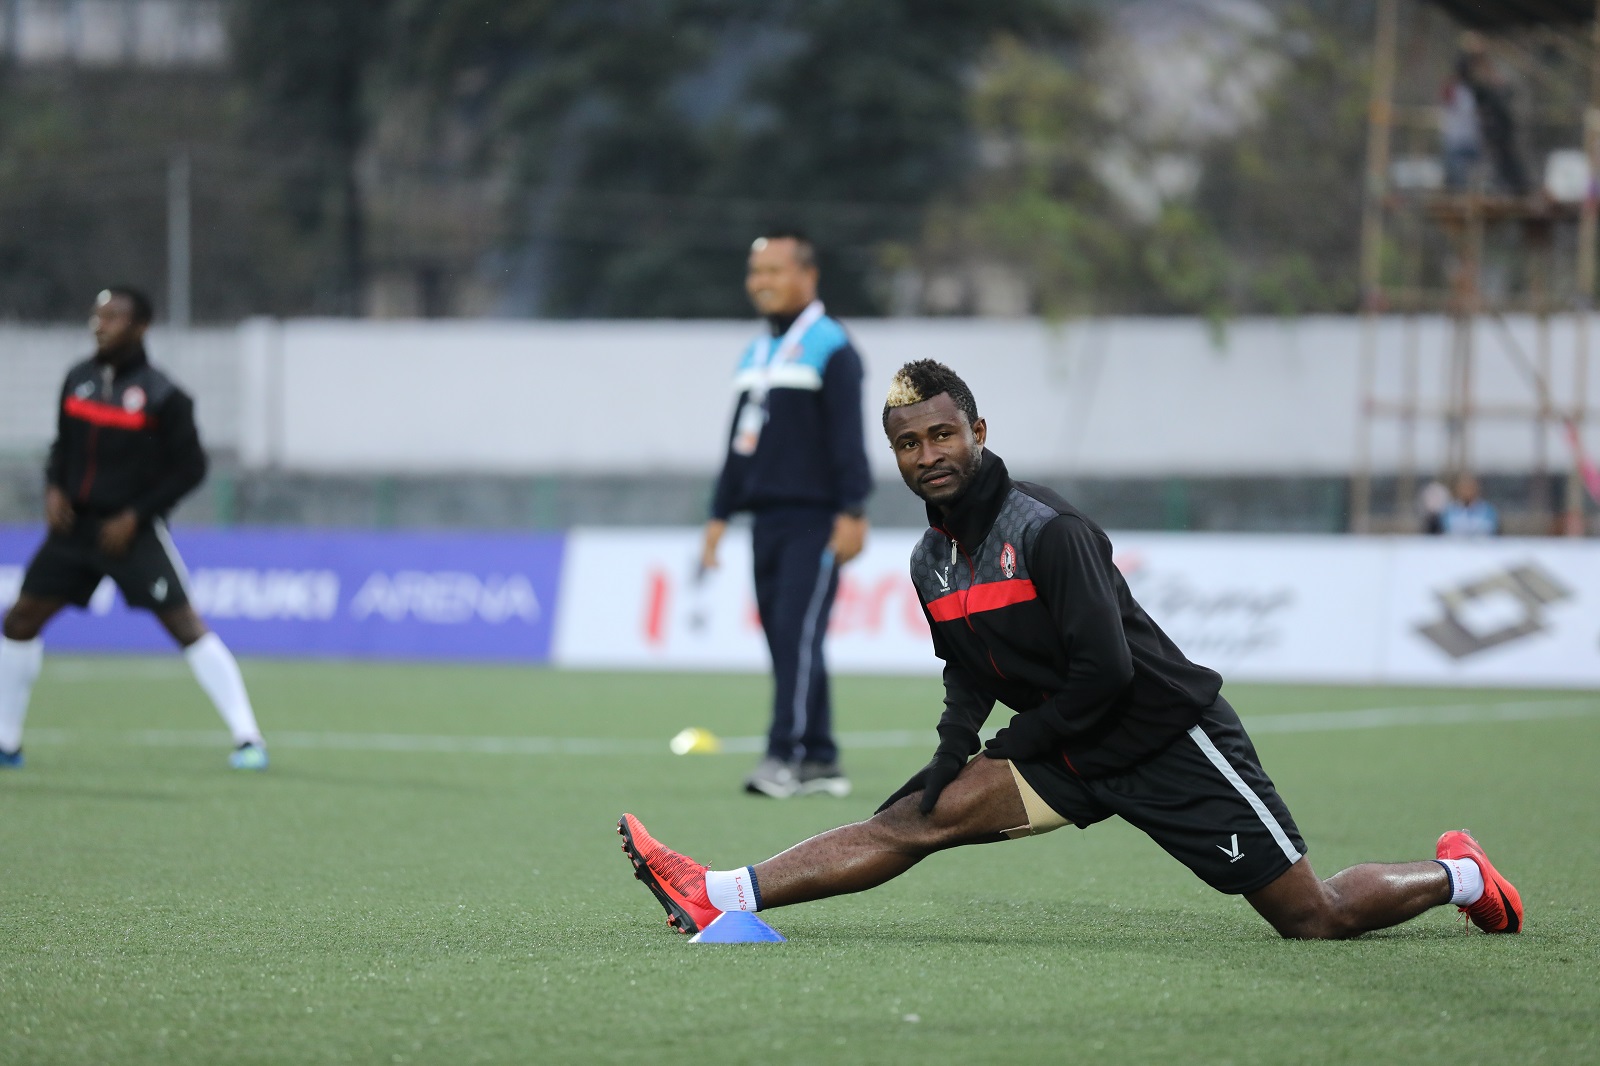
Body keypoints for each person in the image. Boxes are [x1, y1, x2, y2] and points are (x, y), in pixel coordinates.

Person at [619, 360, 1522, 940]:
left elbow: (1109, 672)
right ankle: (720, 893)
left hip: (1165, 734)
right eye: (909, 444)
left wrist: (1008, 747)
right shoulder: (930, 560)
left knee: (1311, 918)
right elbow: (966, 667)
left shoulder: (1050, 530)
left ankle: (1461, 875)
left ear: (979, 432)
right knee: (914, 818)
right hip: (1069, 748)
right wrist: (951, 753)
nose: (929, 454)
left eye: (943, 434)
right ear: (894, 457)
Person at [0, 287, 268, 771]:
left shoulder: (165, 396)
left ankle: (248, 738)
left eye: (113, 317)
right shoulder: (78, 379)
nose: (100, 325)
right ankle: (7, 742)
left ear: (140, 327)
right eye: (97, 315)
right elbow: (63, 446)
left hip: (132, 533)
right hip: (74, 530)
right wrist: (54, 488)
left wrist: (136, 515)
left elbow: (191, 468)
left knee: (185, 626)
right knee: (20, 621)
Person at [701, 230, 872, 799]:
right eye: (756, 273)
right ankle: (820, 757)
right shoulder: (757, 352)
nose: (762, 283)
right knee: (785, 638)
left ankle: (784, 756)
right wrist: (719, 514)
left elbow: (848, 437)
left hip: (816, 519)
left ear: (808, 276)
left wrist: (853, 510)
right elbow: (738, 441)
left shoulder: (831, 346)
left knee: (797, 635)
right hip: (765, 520)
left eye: (775, 271)